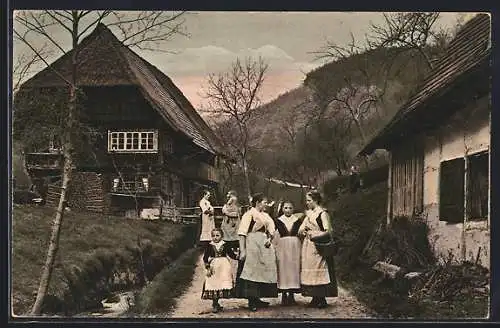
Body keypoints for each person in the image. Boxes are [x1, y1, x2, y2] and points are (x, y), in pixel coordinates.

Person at [236, 193, 278, 312]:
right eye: (264, 202)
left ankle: (258, 298)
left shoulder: (266, 215)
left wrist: (269, 239)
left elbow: (272, 230)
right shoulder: (249, 214)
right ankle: (251, 300)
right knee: (252, 271)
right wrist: (243, 250)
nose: (266, 204)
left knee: (262, 271)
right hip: (252, 243)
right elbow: (242, 233)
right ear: (257, 202)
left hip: (263, 245)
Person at [298, 190, 338, 308]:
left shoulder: (322, 213)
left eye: (309, 200)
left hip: (319, 245)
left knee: (319, 269)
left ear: (315, 200)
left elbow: (328, 231)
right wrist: (303, 230)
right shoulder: (309, 214)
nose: (307, 203)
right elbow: (301, 229)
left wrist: (315, 235)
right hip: (308, 245)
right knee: (310, 269)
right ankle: (315, 297)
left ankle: (322, 298)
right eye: (307, 201)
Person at [202, 228, 238, 313]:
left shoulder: (225, 244)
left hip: (224, 266)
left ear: (222, 236)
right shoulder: (209, 245)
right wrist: (207, 266)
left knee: (222, 282)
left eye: (217, 235)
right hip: (214, 266)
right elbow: (205, 257)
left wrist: (238, 257)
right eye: (213, 236)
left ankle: (217, 303)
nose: (215, 237)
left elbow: (231, 254)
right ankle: (215, 304)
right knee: (214, 283)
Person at [274, 201, 304, 306]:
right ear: (282, 209)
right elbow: (274, 234)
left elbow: (301, 232)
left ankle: (291, 295)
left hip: (295, 245)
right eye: (286, 208)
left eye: (290, 208)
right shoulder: (278, 220)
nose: (288, 210)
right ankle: (283, 295)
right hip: (283, 245)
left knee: (293, 268)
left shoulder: (297, 220)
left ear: (293, 209)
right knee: (283, 268)